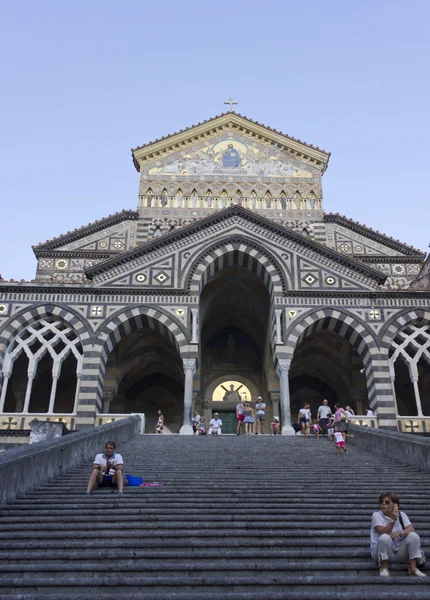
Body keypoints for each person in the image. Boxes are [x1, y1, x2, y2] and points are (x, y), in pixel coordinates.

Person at [370, 492, 427, 577]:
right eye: (381, 502)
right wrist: (393, 519)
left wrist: (399, 533)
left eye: (387, 502)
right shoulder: (376, 515)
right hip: (379, 551)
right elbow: (383, 532)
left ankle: (413, 568)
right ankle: (383, 567)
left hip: (398, 551)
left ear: (395, 504)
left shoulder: (402, 515)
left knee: (413, 536)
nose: (383, 504)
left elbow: (411, 529)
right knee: (384, 537)